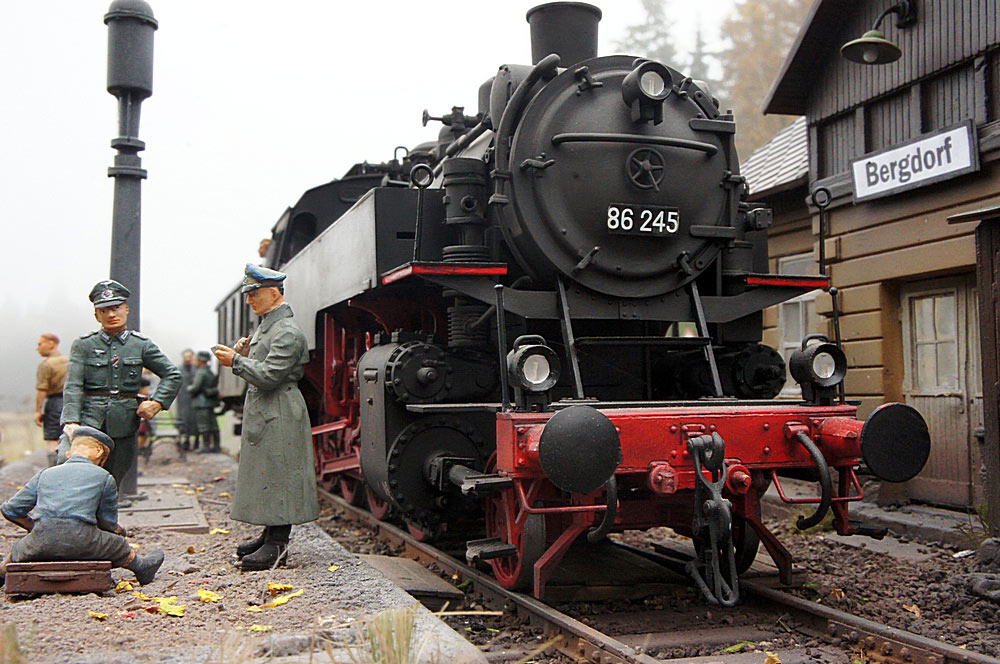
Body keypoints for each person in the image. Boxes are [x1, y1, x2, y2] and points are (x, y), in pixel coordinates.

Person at [212, 264, 318, 571]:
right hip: (269, 409)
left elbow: (271, 376)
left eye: (254, 294)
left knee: (281, 472)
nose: (249, 300)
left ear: (273, 293)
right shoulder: (270, 327)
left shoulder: (287, 331)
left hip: (279, 408)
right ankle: (270, 536)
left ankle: (278, 545)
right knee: (270, 473)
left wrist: (236, 362)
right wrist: (245, 355)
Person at [1, 427, 165, 585]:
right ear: (99, 452)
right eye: (103, 459)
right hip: (83, 542)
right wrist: (117, 530)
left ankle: (1, 573)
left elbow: (11, 510)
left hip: (40, 543)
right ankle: (141, 568)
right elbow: (107, 523)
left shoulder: (45, 474)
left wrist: (34, 527)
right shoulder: (104, 477)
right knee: (118, 544)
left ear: (69, 452)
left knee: (18, 550)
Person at [60, 280, 182, 488]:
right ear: (96, 315)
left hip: (124, 422)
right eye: (104, 310)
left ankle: (107, 510)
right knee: (69, 466)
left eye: (116, 308)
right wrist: (71, 420)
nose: (111, 314)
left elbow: (172, 374)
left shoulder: (141, 345)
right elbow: (73, 385)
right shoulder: (84, 345)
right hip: (89, 419)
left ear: (126, 309)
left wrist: (157, 402)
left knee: (113, 479)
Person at [34, 333, 69, 467]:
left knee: (52, 440)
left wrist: (38, 410)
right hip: (71, 402)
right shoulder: (69, 361)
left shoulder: (46, 365)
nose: (38, 348)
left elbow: (41, 389)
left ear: (51, 343)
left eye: (40, 344)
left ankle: (53, 470)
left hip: (54, 403)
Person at [188, 350, 220, 453]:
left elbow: (195, 387)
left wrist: (189, 388)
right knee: (213, 425)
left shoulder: (201, 372)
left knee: (203, 426)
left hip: (201, 403)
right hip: (209, 402)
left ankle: (206, 446)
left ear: (201, 361)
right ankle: (216, 446)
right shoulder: (210, 372)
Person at [175, 349, 199, 452]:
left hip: (195, 398)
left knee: (196, 420)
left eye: (189, 356)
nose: (187, 359)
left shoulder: (196, 369)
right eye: (186, 357)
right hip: (183, 398)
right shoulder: (179, 369)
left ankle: (197, 441)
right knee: (184, 419)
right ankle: (186, 440)